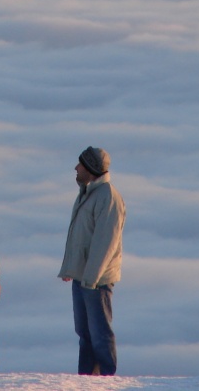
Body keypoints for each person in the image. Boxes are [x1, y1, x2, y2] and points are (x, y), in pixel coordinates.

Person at [58, 146, 126, 375]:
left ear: (91, 168)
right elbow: (81, 236)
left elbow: (105, 243)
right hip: (83, 277)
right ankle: (86, 381)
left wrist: (91, 278)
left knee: (99, 334)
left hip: (95, 281)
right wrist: (71, 269)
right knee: (85, 334)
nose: (76, 168)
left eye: (80, 165)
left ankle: (106, 379)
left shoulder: (108, 197)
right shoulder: (89, 193)